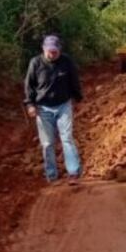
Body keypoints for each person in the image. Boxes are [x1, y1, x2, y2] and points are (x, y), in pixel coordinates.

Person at [24, 35, 83, 184]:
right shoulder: (35, 63)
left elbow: (74, 81)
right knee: (48, 143)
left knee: (67, 139)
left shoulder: (66, 61)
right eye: (50, 51)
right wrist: (30, 104)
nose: (52, 54)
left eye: (55, 51)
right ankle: (52, 175)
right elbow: (29, 86)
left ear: (59, 50)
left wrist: (78, 98)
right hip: (43, 108)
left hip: (63, 105)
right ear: (43, 49)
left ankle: (73, 173)